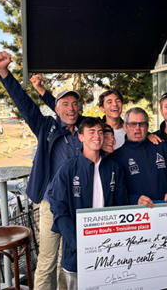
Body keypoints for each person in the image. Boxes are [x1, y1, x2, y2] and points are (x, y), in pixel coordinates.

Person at [0, 50, 81, 290]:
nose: (71, 108)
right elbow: (25, 104)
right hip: (50, 204)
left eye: (75, 104)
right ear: (57, 108)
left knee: (70, 260)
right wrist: (4, 72)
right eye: (65, 104)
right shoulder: (46, 127)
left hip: (78, 204)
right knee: (47, 261)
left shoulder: (86, 131)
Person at [49, 117, 127, 290]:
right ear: (81, 137)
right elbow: (59, 209)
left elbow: (122, 206)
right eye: (91, 132)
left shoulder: (114, 168)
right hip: (76, 253)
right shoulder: (68, 168)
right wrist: (77, 243)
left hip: (108, 249)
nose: (97, 136)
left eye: (100, 132)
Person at [30, 75, 127, 148]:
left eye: (118, 101)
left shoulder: (131, 129)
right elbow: (64, 110)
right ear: (102, 108)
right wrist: (40, 88)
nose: (114, 105)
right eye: (109, 102)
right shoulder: (93, 125)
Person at [111, 107, 167, 207]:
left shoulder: (162, 147)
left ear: (147, 127)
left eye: (142, 124)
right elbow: (116, 192)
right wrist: (135, 200)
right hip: (137, 215)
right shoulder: (117, 157)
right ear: (125, 127)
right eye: (133, 124)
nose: (137, 128)